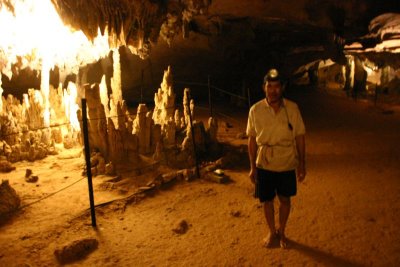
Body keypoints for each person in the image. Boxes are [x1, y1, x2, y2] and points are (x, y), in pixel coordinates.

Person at [246, 68, 306, 248]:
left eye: (276, 86)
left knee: (285, 200)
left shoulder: (292, 109)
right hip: (264, 162)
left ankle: (283, 232)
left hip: (286, 162)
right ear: (264, 88)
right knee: (266, 200)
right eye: (269, 86)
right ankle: (272, 232)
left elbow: (300, 137)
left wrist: (302, 164)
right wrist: (252, 167)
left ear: (282, 88)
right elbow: (251, 140)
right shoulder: (255, 110)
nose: (273, 90)